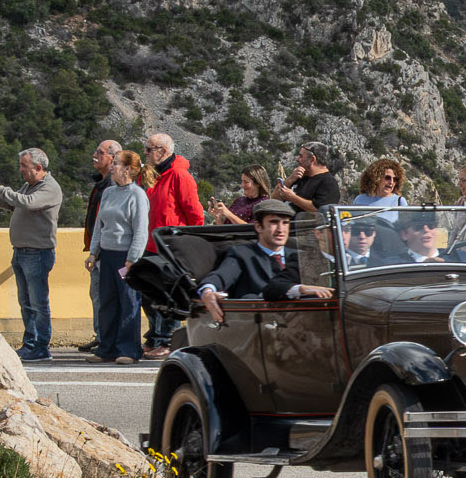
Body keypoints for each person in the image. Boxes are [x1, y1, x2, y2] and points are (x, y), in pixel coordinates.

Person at [0, 147, 64, 361]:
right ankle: (30, 343)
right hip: (21, 251)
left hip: (37, 253)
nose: (21, 170)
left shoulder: (50, 188)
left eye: (24, 166)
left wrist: (1, 188)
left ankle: (41, 346)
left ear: (38, 168)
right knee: (25, 301)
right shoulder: (30, 185)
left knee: (38, 303)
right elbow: (15, 205)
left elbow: (27, 203)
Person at [196, 200, 335, 322]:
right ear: (258, 227)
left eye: (285, 223)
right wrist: (208, 292)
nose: (281, 229)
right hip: (255, 326)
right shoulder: (243, 255)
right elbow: (220, 276)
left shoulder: (300, 256)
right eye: (274, 222)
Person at [140, 133, 204, 360]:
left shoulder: (179, 175)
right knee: (149, 294)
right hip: (150, 244)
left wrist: (186, 244)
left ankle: (167, 340)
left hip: (171, 247)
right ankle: (156, 337)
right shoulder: (153, 175)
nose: (145, 153)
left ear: (163, 151)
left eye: (149, 149)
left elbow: (195, 214)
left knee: (168, 297)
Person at [85, 150, 148, 364]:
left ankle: (129, 349)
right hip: (108, 255)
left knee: (128, 302)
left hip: (125, 257)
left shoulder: (137, 194)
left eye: (117, 164)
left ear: (128, 169)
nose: (112, 168)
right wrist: (94, 252)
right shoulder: (109, 192)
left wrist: (132, 259)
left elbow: (140, 230)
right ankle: (107, 348)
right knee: (107, 302)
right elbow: (99, 227)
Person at [77, 139, 120, 351]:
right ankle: (101, 335)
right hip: (99, 251)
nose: (95, 155)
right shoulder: (102, 184)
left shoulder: (113, 186)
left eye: (100, 152)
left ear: (113, 158)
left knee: (106, 297)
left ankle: (108, 338)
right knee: (97, 295)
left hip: (109, 251)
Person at [274, 141, 342, 213]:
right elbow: (274, 199)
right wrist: (290, 180)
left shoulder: (328, 182)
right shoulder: (299, 176)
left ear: (312, 159)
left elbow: (320, 210)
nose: (297, 159)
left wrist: (293, 198)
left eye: (301, 156)